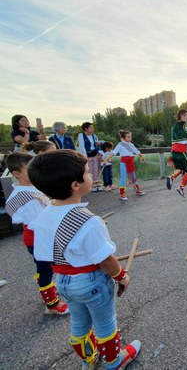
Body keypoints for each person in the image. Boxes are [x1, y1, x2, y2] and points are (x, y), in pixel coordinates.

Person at [28, 150, 141, 370]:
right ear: (75, 185)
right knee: (106, 323)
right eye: (88, 172)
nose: (91, 176)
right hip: (91, 281)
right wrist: (122, 276)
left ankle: (88, 360)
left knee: (79, 324)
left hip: (63, 281)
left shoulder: (42, 217)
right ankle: (114, 362)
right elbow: (106, 261)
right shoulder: (89, 221)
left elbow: (45, 256)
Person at [5, 153, 69, 315]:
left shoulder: (28, 189)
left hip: (37, 237)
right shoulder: (28, 197)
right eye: (30, 169)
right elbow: (40, 223)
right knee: (47, 269)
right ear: (17, 174)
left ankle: (43, 282)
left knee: (44, 267)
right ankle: (52, 304)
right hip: (39, 239)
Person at [108, 130, 146, 201]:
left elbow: (136, 151)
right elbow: (114, 152)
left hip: (130, 162)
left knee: (133, 177)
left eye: (130, 136)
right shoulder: (120, 145)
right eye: (128, 137)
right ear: (123, 138)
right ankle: (122, 194)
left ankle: (137, 190)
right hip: (124, 163)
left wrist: (142, 156)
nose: (130, 138)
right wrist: (107, 158)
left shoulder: (131, 144)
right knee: (123, 178)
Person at [77, 122, 101, 190]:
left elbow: (96, 145)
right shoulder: (81, 135)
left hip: (95, 153)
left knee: (96, 169)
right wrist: (85, 155)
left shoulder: (94, 136)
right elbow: (82, 146)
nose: (93, 129)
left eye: (92, 127)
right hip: (88, 154)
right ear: (86, 129)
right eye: (91, 127)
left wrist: (98, 145)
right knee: (90, 169)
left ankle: (97, 183)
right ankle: (92, 184)